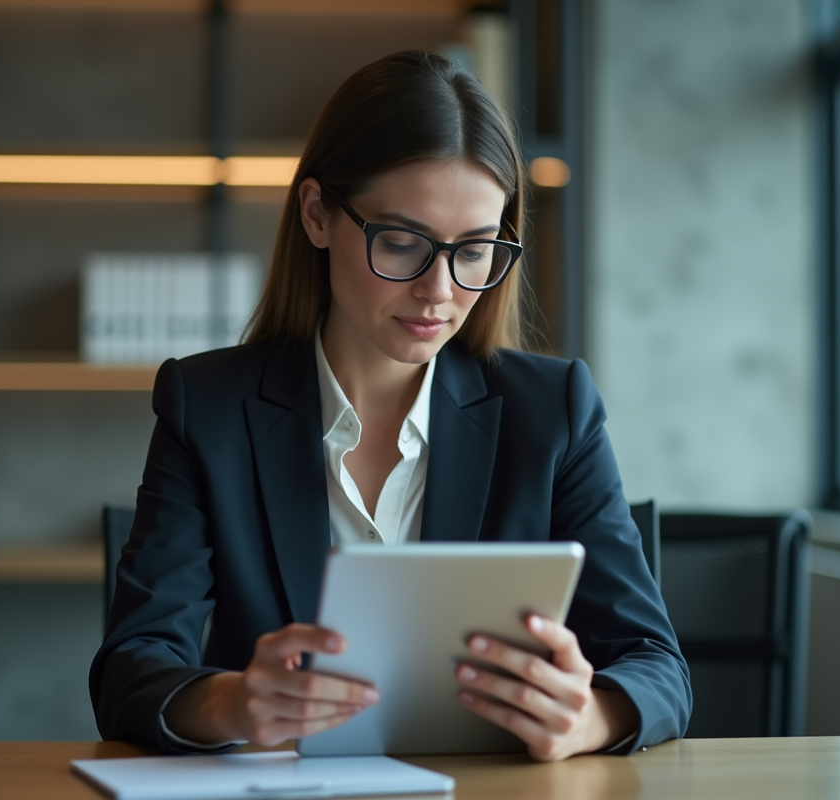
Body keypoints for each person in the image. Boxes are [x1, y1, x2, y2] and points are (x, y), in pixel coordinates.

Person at [89, 49, 690, 762]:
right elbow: (131, 667)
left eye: (474, 251)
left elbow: (658, 667)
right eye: (403, 244)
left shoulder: (552, 412)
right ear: (318, 214)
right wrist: (231, 701)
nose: (441, 291)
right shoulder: (208, 409)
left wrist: (587, 718)